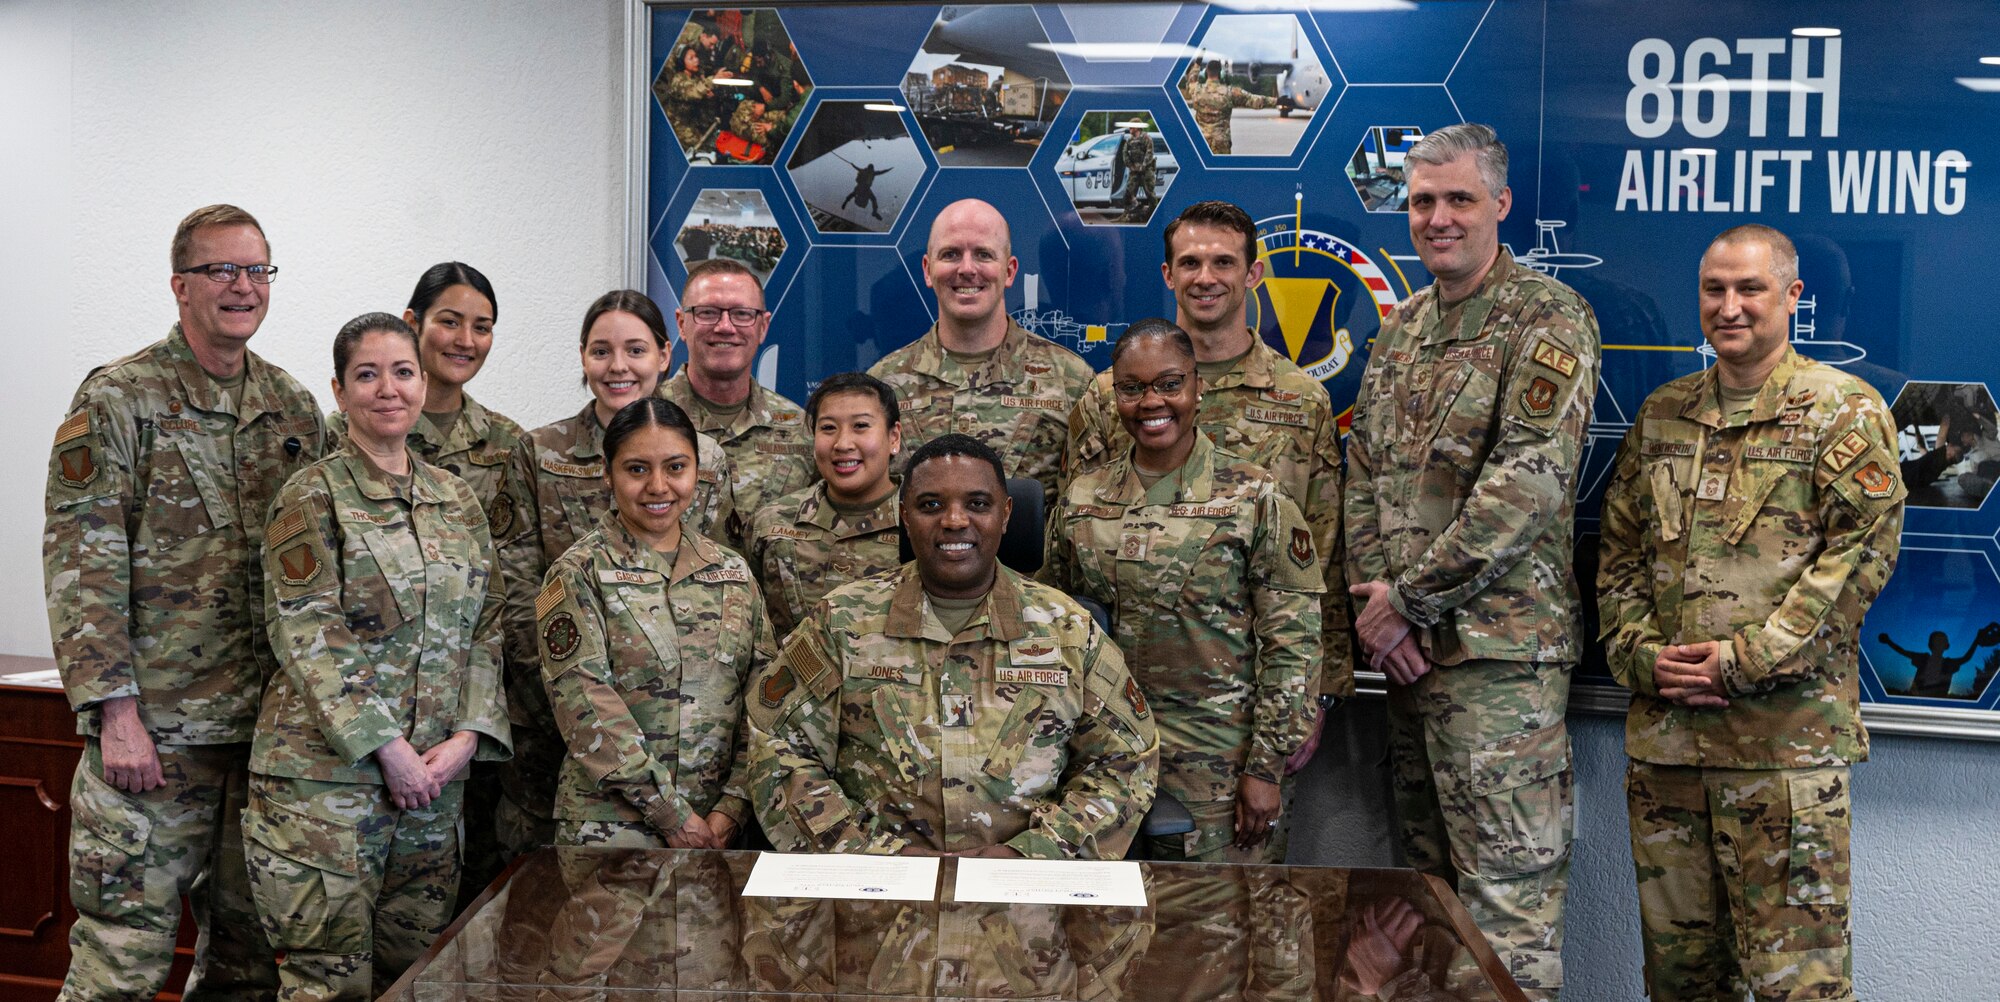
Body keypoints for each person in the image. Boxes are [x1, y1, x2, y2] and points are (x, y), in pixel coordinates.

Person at [1598, 224, 1905, 1002]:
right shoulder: (1664, 414)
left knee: (1795, 987)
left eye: (1750, 289)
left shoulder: (1843, 412)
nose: (1729, 307)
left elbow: (1857, 564)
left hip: (1783, 759)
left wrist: (1743, 662)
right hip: (1669, 753)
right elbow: (1620, 556)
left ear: (1793, 299)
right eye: (1713, 290)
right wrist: (1641, 656)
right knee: (1680, 983)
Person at [1343, 123, 1598, 1000]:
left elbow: (1526, 486)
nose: (1438, 218)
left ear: (1501, 204)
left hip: (1499, 666)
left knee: (1506, 916)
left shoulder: (1548, 318)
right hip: (1409, 665)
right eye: (1422, 202)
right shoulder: (1403, 328)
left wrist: (1405, 602)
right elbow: (1364, 474)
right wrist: (1383, 618)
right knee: (1427, 901)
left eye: (1458, 199)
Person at [43, 204, 320, 1001]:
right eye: (221, 270)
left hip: (265, 742)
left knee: (248, 965)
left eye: (258, 269)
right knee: (119, 968)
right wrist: (114, 710)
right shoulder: (121, 398)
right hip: (155, 741)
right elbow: (81, 562)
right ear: (180, 286)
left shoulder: (293, 408)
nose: (243, 286)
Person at [249, 312, 509, 1000]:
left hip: (433, 790)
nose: (387, 388)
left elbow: (487, 626)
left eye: (401, 372)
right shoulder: (311, 497)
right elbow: (308, 633)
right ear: (338, 390)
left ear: (423, 382)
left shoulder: (455, 499)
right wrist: (387, 749)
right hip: (326, 791)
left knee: (415, 982)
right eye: (367, 374)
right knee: (325, 988)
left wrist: (468, 738)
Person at [747, 434, 1158, 858]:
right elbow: (779, 750)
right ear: (904, 516)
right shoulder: (842, 620)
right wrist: (871, 854)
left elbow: (1126, 762)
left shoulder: (1068, 629)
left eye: (978, 504)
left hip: (1027, 895)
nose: (955, 520)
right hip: (876, 892)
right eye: (931, 506)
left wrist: (1033, 853)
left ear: (1006, 514)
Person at [1042, 320, 1323, 862]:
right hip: (1100, 769)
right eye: (1132, 388)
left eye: (1169, 384)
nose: (1152, 402)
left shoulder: (1255, 497)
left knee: (1220, 933)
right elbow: (1055, 630)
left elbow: (1295, 646)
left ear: (1199, 387)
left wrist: (1266, 768)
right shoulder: (1081, 499)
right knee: (1108, 935)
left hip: (1217, 771)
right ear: (1115, 395)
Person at [1064, 200, 1352, 704]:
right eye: (1190, 263)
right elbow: (1070, 550)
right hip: (1115, 688)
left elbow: (1321, 556)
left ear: (1253, 274)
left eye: (1224, 262)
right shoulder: (1109, 396)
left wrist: (1315, 691)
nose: (1206, 278)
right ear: (1167, 275)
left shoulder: (1302, 401)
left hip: (1247, 694)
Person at [490, 290, 734, 858]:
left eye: (635, 349)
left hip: (685, 730)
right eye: (602, 351)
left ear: (665, 355)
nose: (618, 366)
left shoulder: (708, 457)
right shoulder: (541, 452)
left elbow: (714, 589)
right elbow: (518, 593)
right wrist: (569, 704)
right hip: (563, 714)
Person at [327, 263, 525, 901]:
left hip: (460, 736)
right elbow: (307, 614)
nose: (465, 338)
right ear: (414, 325)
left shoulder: (502, 449)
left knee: (443, 933)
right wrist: (385, 743)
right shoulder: (325, 456)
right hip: (352, 748)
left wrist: (473, 728)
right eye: (448, 321)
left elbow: (497, 601)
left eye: (482, 326)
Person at [533, 398, 773, 848]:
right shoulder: (579, 572)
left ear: (697, 471)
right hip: (612, 829)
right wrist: (670, 813)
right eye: (637, 469)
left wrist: (732, 806)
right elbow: (584, 704)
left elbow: (765, 697)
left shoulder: (733, 572)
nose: (658, 486)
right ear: (608, 473)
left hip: (720, 829)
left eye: (676, 467)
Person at [869, 198, 1094, 501]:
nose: (966, 269)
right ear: (927, 269)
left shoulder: (1072, 381)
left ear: (1010, 271)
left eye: (983, 254)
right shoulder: (883, 385)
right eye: (950, 254)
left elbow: (1086, 511)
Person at [661, 258, 813, 546]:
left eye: (742, 314)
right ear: (682, 324)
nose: (725, 326)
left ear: (763, 326)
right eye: (708, 313)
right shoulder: (645, 421)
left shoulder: (800, 428)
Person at [747, 371, 904, 640]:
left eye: (861, 426)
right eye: (828, 428)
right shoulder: (772, 523)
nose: (843, 444)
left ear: (894, 437)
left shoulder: (922, 523)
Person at [1179, 59, 1276, 155]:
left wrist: (1196, 65)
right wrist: (1278, 101)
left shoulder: (1196, 90)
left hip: (1201, 142)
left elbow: (1192, 77)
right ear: (1221, 74)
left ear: (1206, 73)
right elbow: (1254, 100)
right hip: (1221, 144)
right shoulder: (1229, 92)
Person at [1118, 121, 1157, 222]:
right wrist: (1131, 166)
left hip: (1146, 170)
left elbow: (1149, 152)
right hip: (1134, 171)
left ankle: (1153, 215)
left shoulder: (1146, 138)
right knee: (1129, 193)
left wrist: (1143, 166)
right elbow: (1125, 154)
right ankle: (1127, 215)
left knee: (1150, 194)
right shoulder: (1129, 140)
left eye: (1132, 126)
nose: (1130, 128)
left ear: (1137, 127)